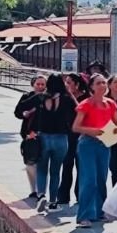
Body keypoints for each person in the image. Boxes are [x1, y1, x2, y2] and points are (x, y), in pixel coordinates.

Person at [71, 74, 117, 229]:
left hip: (105, 143)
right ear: (92, 87)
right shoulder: (86, 104)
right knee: (89, 179)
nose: (102, 85)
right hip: (88, 144)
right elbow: (76, 127)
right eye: (98, 83)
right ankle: (84, 215)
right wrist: (91, 131)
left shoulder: (110, 103)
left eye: (104, 83)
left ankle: (100, 211)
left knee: (101, 178)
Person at [19, 74, 75, 210]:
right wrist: (69, 93)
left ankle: (41, 195)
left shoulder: (40, 97)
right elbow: (78, 110)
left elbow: (22, 106)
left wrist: (29, 113)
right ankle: (53, 201)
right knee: (55, 171)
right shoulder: (67, 99)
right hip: (61, 138)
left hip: (43, 137)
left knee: (42, 169)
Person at [57, 73, 88, 205]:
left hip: (82, 136)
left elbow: (81, 111)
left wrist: (72, 97)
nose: (67, 85)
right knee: (67, 165)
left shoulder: (86, 98)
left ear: (77, 84)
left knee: (82, 167)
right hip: (67, 136)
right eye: (66, 82)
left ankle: (80, 195)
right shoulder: (64, 97)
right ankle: (63, 196)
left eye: (69, 82)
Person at [14, 74, 47, 198]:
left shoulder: (48, 98)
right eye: (38, 84)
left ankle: (41, 190)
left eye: (43, 84)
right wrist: (24, 113)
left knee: (42, 163)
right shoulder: (27, 97)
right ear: (33, 85)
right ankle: (33, 189)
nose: (40, 87)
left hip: (44, 133)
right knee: (30, 163)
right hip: (28, 133)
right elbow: (17, 112)